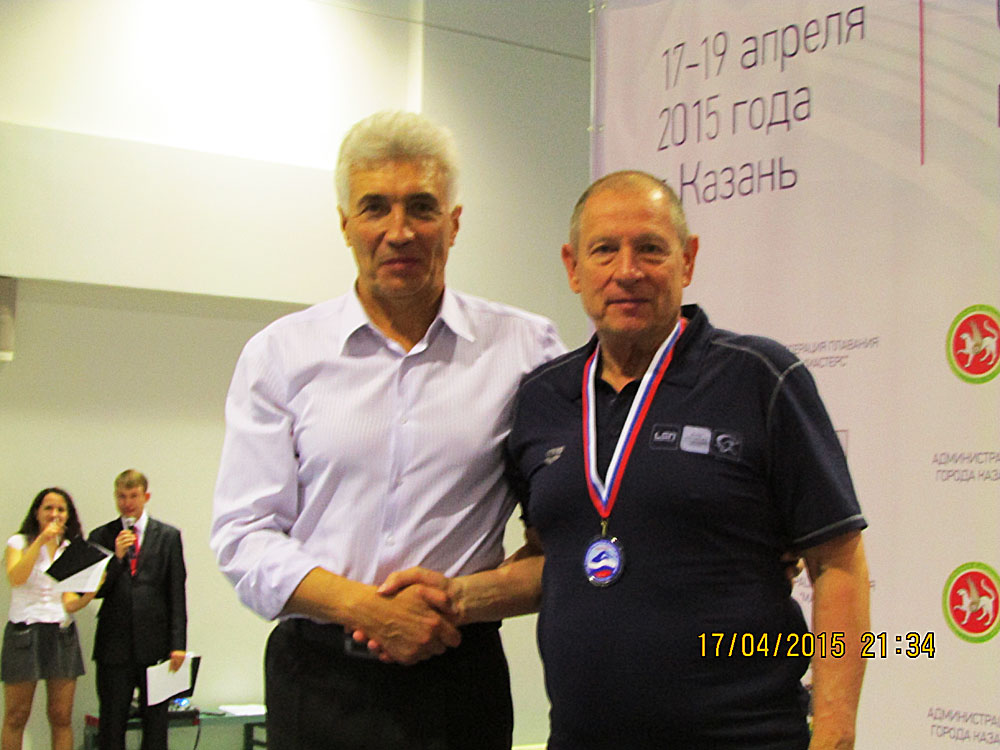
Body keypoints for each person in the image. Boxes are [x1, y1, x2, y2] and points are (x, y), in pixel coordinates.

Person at [380, 170, 871, 749]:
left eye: (651, 249)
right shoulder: (543, 397)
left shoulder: (760, 378)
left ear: (687, 260)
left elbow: (839, 567)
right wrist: (458, 597)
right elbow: (557, 558)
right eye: (605, 250)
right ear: (573, 268)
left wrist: (834, 734)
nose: (627, 271)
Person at [210, 110, 564, 750]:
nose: (398, 232)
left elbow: (565, 531)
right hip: (318, 682)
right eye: (375, 207)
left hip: (460, 681)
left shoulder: (526, 350)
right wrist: (366, 609)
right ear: (345, 223)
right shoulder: (280, 354)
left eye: (421, 208)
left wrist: (460, 600)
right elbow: (243, 535)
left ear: (454, 223)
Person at [87, 470, 187, 750]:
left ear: (146, 496)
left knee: (156, 725)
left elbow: (176, 592)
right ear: (115, 497)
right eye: (121, 496)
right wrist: (116, 559)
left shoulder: (168, 536)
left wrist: (178, 644)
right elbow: (95, 591)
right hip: (113, 646)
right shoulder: (101, 536)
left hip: (156, 646)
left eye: (133, 496)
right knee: (111, 724)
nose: (127, 503)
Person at [3, 488, 91, 750]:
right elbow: (16, 577)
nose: (54, 514)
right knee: (16, 715)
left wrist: (90, 592)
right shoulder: (18, 542)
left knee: (61, 715)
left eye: (61, 509)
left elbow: (69, 602)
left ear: (68, 516)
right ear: (37, 512)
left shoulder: (70, 549)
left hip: (61, 633)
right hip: (24, 632)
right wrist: (41, 541)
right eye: (48, 508)